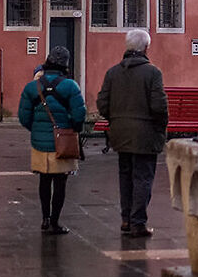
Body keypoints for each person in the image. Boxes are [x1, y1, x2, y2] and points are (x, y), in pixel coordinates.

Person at [97, 28, 170, 238]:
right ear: (146, 47)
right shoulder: (153, 73)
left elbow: (102, 103)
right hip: (146, 134)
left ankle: (126, 219)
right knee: (143, 177)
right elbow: (159, 106)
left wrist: (115, 120)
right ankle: (138, 222)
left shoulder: (113, 73)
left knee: (126, 176)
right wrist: (160, 127)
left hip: (120, 133)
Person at [18, 46, 86, 235]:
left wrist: (36, 129)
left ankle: (45, 218)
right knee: (60, 182)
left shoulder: (32, 87)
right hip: (63, 141)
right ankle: (55, 220)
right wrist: (72, 128)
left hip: (40, 143)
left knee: (44, 180)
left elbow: (23, 116)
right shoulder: (70, 86)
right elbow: (80, 114)